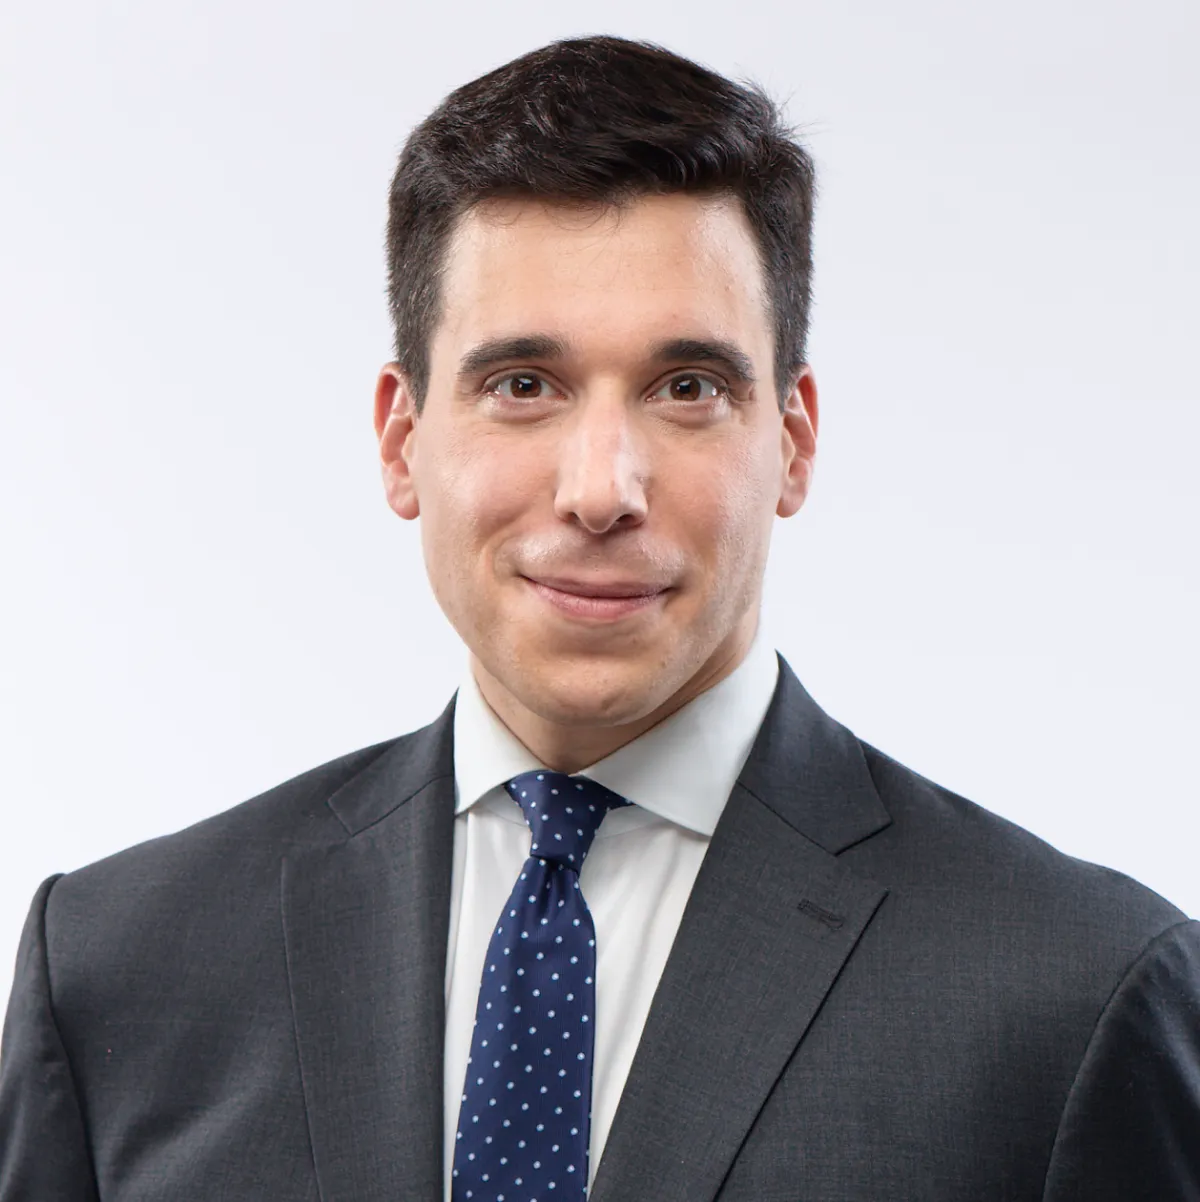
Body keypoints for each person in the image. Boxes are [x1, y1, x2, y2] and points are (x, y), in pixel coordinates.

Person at [1, 33, 1197, 1202]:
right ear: (400, 436)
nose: (601, 488)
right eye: (524, 385)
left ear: (793, 441)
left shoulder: (1079, 998)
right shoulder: (116, 972)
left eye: (688, 388)